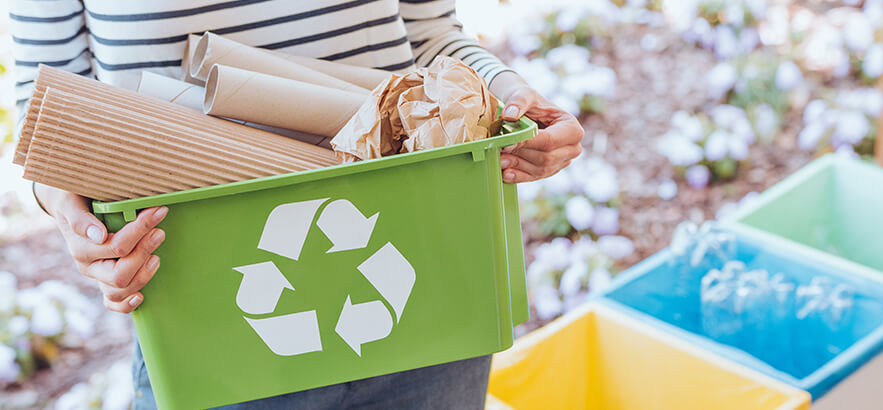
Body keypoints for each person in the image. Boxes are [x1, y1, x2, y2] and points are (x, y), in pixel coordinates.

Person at [12, 1, 583, 408]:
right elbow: (51, 100)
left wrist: (513, 98)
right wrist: (74, 218)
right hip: (204, 303)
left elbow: (430, 33)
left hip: (421, 267)